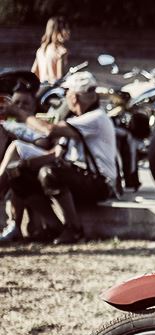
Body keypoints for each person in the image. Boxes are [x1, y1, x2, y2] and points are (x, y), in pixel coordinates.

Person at [0, 71, 117, 244]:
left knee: (50, 173)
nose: (66, 99)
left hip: (99, 183)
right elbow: (57, 152)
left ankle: (74, 229)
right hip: (80, 176)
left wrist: (19, 114)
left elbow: (49, 130)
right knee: (19, 175)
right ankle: (55, 227)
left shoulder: (96, 118)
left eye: (68, 94)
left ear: (75, 97)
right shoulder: (78, 119)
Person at [31, 16, 70, 85]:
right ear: (58, 31)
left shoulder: (40, 50)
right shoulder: (61, 51)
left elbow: (34, 72)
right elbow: (60, 77)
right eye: (66, 29)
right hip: (53, 90)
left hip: (42, 88)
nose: (68, 31)